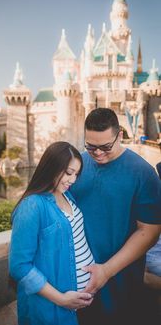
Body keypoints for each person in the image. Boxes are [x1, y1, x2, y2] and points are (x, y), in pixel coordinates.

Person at [70, 108, 161, 325]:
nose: (98, 153)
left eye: (105, 146)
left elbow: (149, 232)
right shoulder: (77, 166)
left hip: (122, 278)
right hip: (77, 278)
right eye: (91, 146)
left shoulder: (143, 173)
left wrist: (106, 271)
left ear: (120, 135)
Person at [9, 141, 95, 325]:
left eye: (76, 174)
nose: (72, 180)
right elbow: (19, 266)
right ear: (52, 167)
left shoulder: (66, 194)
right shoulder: (31, 206)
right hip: (53, 305)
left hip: (78, 302)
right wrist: (62, 299)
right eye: (69, 173)